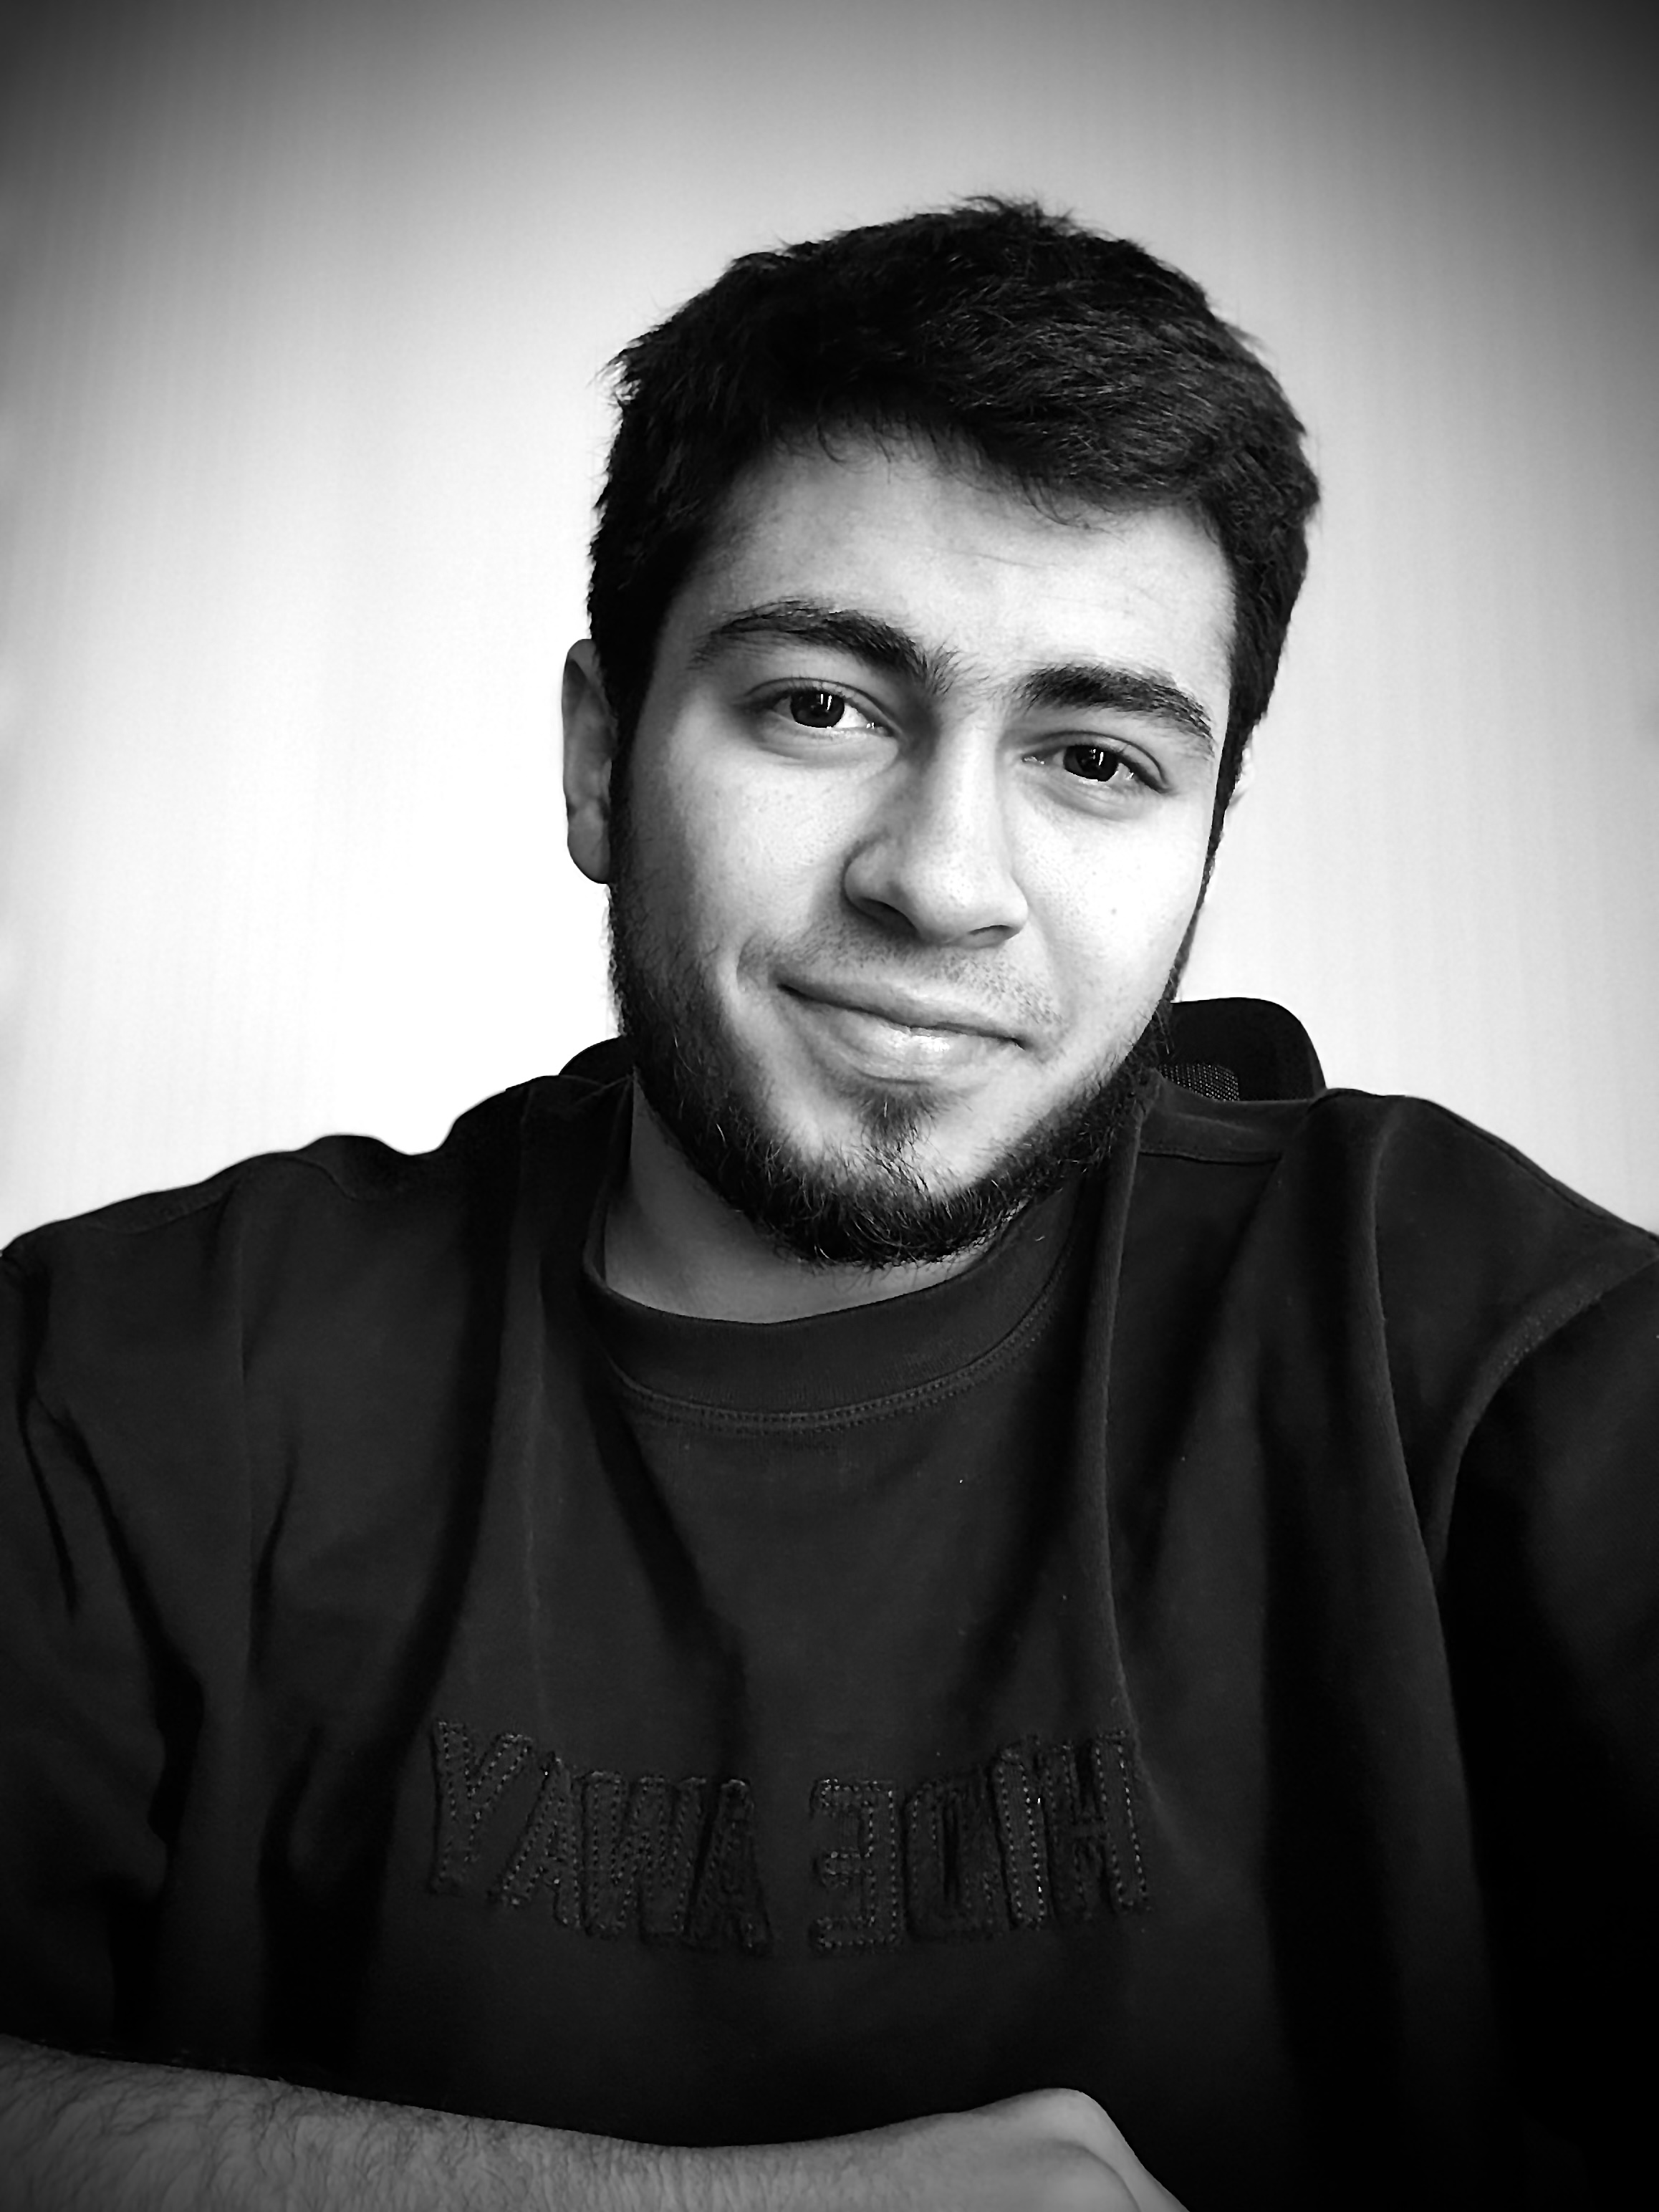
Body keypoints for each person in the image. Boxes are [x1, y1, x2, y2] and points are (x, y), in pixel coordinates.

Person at [1, 199, 1653, 2212]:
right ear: (600, 758)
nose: (943, 881)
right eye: (819, 706)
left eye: (1095, 757)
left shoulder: (1469, 1340)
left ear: (1207, 829)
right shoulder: (135, 1378)